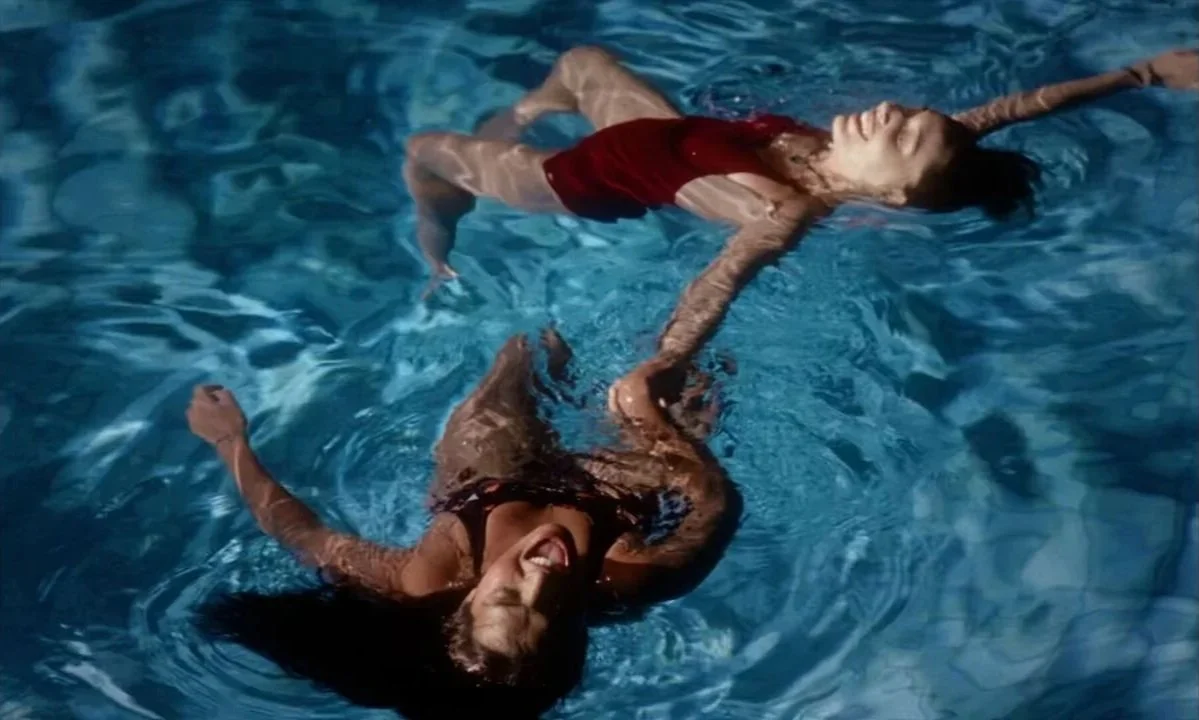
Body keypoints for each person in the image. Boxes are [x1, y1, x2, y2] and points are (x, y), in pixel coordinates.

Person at [403, 46, 1198, 392]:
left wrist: (669, 359)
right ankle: (534, 106)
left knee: (425, 153)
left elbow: (723, 279)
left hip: (586, 177)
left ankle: (436, 238)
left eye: (902, 135)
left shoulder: (780, 208)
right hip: (662, 133)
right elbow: (1010, 108)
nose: (895, 112)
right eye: (913, 114)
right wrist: (1138, 73)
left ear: (893, 198)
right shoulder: (873, 155)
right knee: (582, 63)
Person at [188, 329, 737, 713]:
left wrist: (229, 442)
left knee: (526, 355)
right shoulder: (638, 573)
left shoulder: (432, 574)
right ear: (574, 630)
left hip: (489, 482)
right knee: (690, 383)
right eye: (552, 609)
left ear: (466, 601)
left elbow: (304, 536)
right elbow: (718, 502)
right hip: (614, 493)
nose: (540, 576)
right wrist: (662, 431)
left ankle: (546, 339)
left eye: (508, 597)